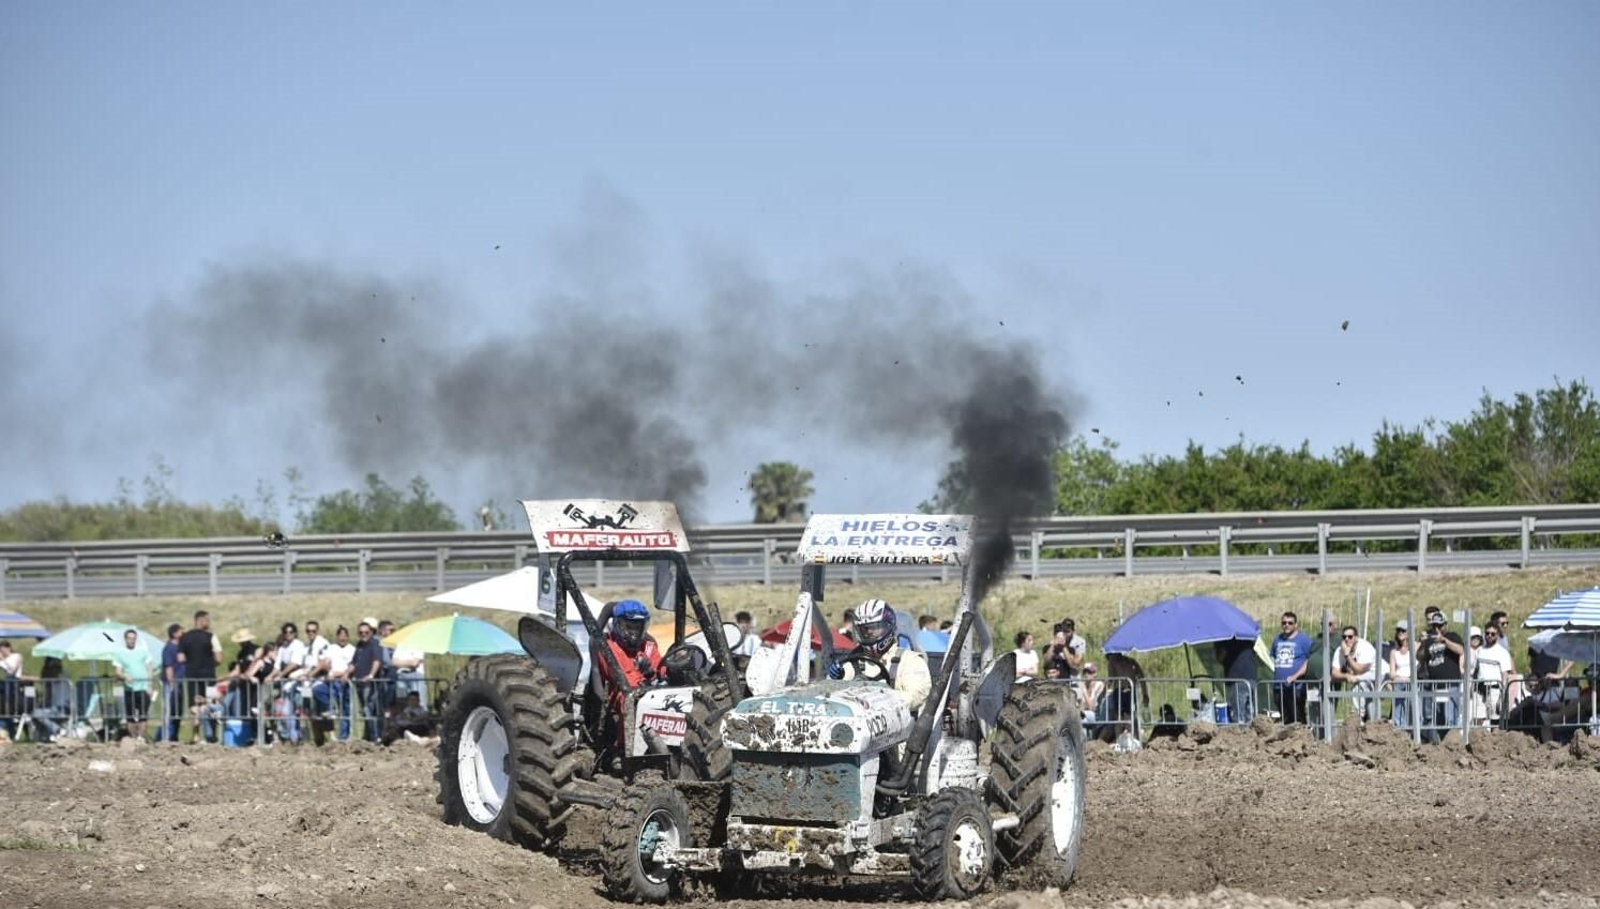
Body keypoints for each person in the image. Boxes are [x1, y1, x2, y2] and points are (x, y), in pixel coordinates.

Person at [827, 599, 931, 711]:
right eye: (865, 629)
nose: (869, 632)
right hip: (858, 719)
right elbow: (830, 698)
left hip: (899, 719)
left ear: (888, 627)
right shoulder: (854, 661)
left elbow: (917, 697)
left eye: (875, 627)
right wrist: (835, 681)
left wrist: (878, 701)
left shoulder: (910, 661)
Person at [595, 600, 663, 749]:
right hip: (621, 694)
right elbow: (623, 679)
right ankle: (624, 749)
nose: (633, 633)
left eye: (637, 628)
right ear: (618, 626)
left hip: (651, 692)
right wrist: (647, 677)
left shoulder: (648, 647)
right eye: (629, 627)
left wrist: (661, 672)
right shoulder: (607, 646)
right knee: (632, 700)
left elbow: (661, 669)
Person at [1415, 608, 1465, 742]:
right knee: (1435, 718)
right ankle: (1436, 743)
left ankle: (1452, 743)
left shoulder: (1452, 636)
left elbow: (1460, 650)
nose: (1437, 629)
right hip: (1434, 685)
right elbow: (1419, 657)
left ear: (1445, 624)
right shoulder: (1429, 640)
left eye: (1440, 625)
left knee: (1450, 717)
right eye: (1434, 626)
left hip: (1450, 684)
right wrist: (1423, 643)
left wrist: (1444, 640)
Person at [176, 611, 221, 744]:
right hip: (209, 677)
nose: (209, 623)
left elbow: (180, 658)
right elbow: (219, 658)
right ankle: (211, 735)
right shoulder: (211, 637)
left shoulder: (184, 638)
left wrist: (192, 661)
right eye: (208, 620)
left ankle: (195, 735)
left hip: (192, 677)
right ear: (201, 620)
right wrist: (209, 663)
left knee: (195, 707)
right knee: (210, 705)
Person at [111, 628, 157, 740]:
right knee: (130, 715)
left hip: (143, 687)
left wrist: (150, 685)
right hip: (129, 689)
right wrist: (124, 676)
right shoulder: (120, 653)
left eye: (134, 639)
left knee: (143, 715)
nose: (132, 641)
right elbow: (117, 671)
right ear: (125, 639)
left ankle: (140, 737)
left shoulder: (143, 651)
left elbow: (150, 668)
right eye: (130, 638)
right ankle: (133, 738)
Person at [313, 626, 357, 740]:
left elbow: (352, 666)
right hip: (330, 681)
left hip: (344, 681)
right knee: (318, 690)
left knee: (345, 710)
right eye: (340, 636)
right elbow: (326, 661)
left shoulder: (352, 649)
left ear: (348, 637)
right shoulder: (332, 648)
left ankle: (344, 736)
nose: (343, 638)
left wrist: (339, 674)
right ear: (337, 637)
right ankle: (330, 708)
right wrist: (327, 667)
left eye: (345, 636)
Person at [1271, 612, 1313, 724]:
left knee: (1297, 718)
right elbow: (1274, 657)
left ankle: (1302, 735)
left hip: (1296, 687)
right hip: (1278, 686)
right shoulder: (1277, 639)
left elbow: (1310, 660)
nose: (1287, 625)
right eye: (1284, 623)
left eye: (1290, 623)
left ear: (1296, 624)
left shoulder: (1304, 640)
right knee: (1285, 718)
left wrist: (1295, 676)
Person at [1332, 625, 1378, 722]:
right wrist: (1346, 675)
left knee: (1360, 685)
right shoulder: (1340, 650)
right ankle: (1361, 717)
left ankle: (1362, 717)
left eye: (1350, 637)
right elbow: (1334, 673)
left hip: (1377, 674)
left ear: (1356, 638)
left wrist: (1347, 655)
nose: (1347, 639)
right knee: (1359, 685)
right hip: (1362, 679)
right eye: (1344, 637)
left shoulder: (1365, 647)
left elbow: (1359, 670)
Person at [272, 622, 308, 743]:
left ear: (295, 633)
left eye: (291, 632)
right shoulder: (283, 647)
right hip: (287, 685)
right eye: (286, 632)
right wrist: (270, 676)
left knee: (301, 712)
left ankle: (301, 738)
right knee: (287, 712)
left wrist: (281, 675)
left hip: (300, 685)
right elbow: (277, 666)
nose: (288, 634)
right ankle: (292, 738)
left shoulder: (298, 645)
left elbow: (295, 663)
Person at [1471, 625, 1514, 726]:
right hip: (1480, 688)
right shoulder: (1479, 650)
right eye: (1487, 633)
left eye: (1493, 634)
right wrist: (1472, 687)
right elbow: (1476, 670)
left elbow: (1505, 675)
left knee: (1495, 721)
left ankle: (1495, 736)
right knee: (1477, 719)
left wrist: (1502, 695)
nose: (1489, 636)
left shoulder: (1502, 652)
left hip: (1495, 689)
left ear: (1497, 635)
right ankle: (1479, 736)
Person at [352, 620, 385, 743]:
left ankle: (375, 737)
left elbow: (377, 661)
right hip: (360, 683)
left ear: (371, 632)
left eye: (366, 632)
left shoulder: (375, 643)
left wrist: (371, 675)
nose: (363, 634)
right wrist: (346, 674)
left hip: (370, 684)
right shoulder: (359, 645)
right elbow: (354, 663)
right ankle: (370, 736)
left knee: (370, 710)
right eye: (361, 632)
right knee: (365, 711)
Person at [1213, 637, 1258, 724]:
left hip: (1237, 678)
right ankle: (1250, 731)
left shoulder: (1224, 638)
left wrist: (1218, 651)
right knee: (1249, 714)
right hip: (1251, 677)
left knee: (1238, 715)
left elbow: (1221, 656)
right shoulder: (1245, 635)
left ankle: (1240, 731)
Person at [156, 622, 184, 742]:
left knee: (177, 711)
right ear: (174, 633)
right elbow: (169, 667)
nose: (183, 633)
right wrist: (172, 683)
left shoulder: (181, 647)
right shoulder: (169, 648)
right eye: (181, 631)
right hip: (171, 684)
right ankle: (165, 737)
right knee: (168, 711)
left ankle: (174, 736)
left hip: (180, 683)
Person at [1386, 620, 1415, 729]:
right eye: (1398, 630)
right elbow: (1392, 672)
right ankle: (1399, 726)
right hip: (1399, 682)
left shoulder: (1415, 648)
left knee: (1411, 706)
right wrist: (1398, 678)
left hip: (1412, 682)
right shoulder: (1394, 652)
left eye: (1402, 630)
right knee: (1398, 704)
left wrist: (1409, 678)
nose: (1400, 633)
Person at [0, 640, 22, 740]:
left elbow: (12, 670)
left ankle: (10, 733)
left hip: (13, 684)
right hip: (6, 685)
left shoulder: (16, 656)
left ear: (7, 648)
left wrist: (3, 660)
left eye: (2, 650)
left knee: (8, 710)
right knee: (4, 711)